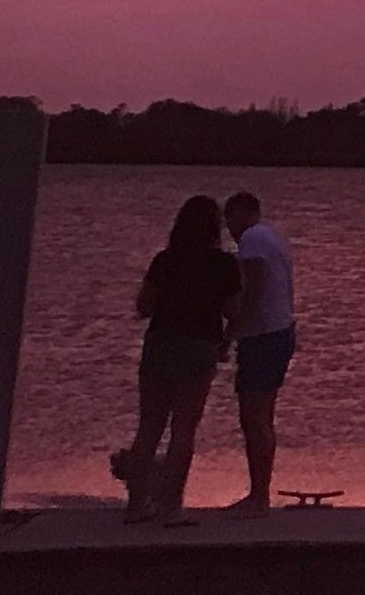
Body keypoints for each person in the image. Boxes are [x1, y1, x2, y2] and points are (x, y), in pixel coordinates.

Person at [114, 194, 240, 526]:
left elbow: (144, 307)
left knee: (148, 428)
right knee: (183, 430)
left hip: (159, 345)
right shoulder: (224, 265)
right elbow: (233, 311)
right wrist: (225, 342)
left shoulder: (164, 260)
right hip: (198, 347)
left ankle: (136, 506)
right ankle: (171, 509)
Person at [219, 190, 297, 518]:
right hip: (281, 331)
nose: (229, 229)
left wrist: (228, 335)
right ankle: (259, 492)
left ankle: (258, 497)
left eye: (229, 220)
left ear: (242, 213)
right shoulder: (273, 237)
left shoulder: (252, 240)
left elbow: (253, 291)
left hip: (263, 336)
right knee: (262, 417)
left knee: (253, 417)